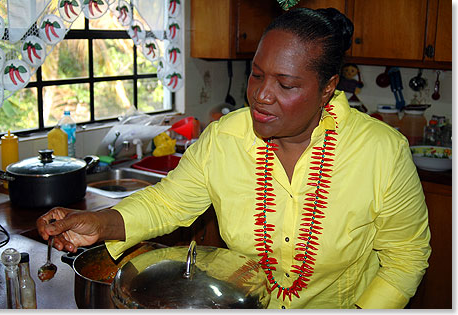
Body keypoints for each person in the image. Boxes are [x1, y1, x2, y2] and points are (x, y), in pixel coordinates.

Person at [37, 7, 430, 309]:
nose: (260, 95)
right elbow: (167, 202)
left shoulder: (381, 151)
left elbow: (406, 260)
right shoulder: (225, 137)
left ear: (328, 87)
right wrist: (99, 222)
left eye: (286, 83)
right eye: (256, 75)